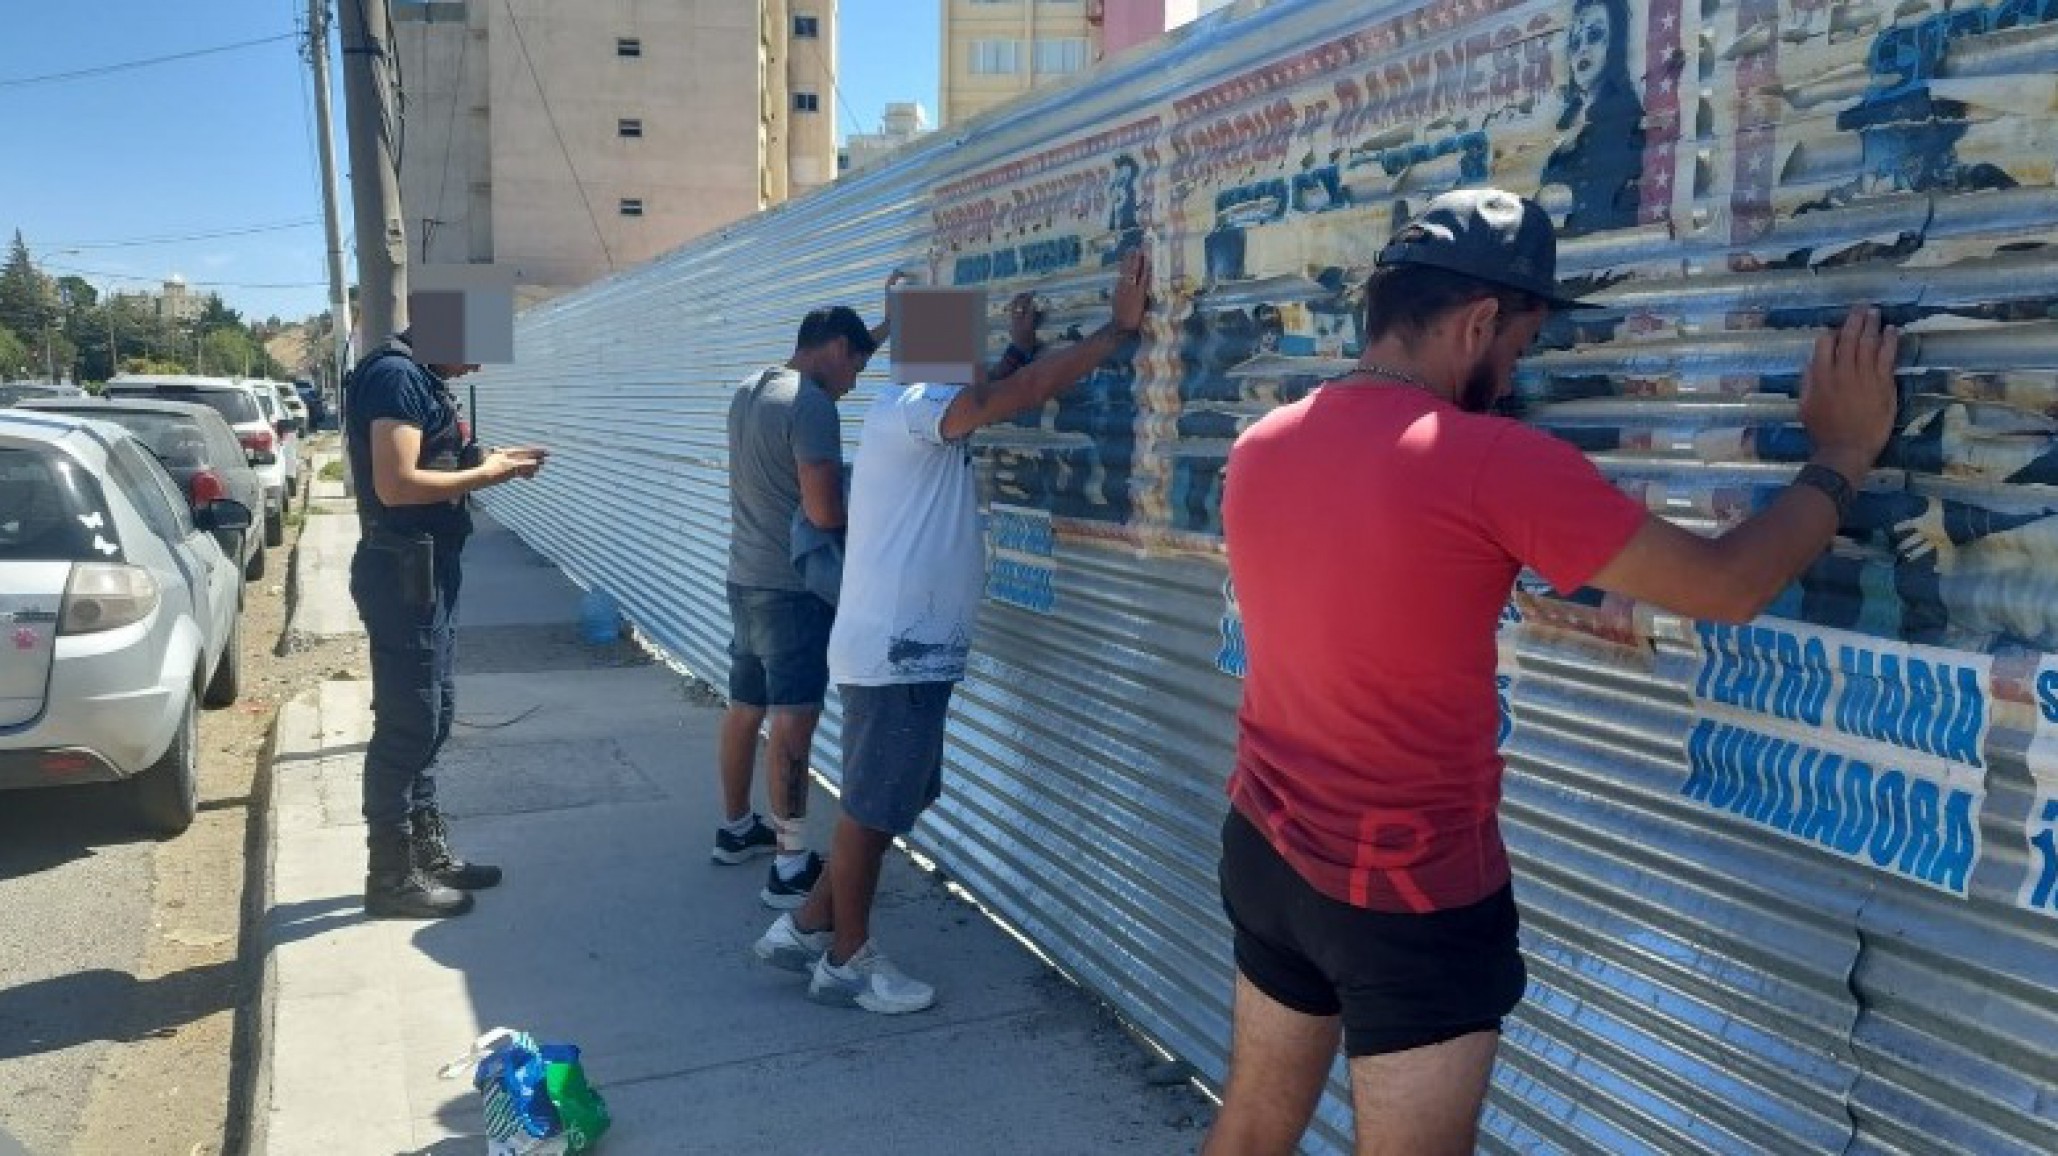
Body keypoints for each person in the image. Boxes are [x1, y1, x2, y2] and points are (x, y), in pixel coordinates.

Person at [1202, 188, 1898, 1154]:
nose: (1516, 372)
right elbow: (1728, 585)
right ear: (1482, 321)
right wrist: (1843, 452)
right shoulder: (1488, 461)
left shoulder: (1263, 444)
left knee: (1251, 1129)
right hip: (1407, 886)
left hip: (1267, 850)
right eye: (1522, 348)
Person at [752, 249, 1154, 1014]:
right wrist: (1112, 333)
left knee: (889, 798)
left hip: (907, 648)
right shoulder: (915, 410)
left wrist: (1019, 345)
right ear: (935, 350)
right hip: (898, 650)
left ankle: (805, 927)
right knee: (872, 810)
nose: (978, 353)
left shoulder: (918, 405)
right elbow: (1019, 393)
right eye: (963, 338)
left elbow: (997, 384)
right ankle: (848, 961)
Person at [346, 329, 549, 919]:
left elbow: (434, 462)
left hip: (430, 567)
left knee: (434, 713)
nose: (478, 362)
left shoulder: (423, 378)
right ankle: (388, 876)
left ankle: (424, 854)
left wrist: (489, 460)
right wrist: (490, 477)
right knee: (408, 723)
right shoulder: (396, 377)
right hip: (402, 570)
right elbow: (397, 482)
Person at [715, 282, 898, 910]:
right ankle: (791, 866)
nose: (854, 383)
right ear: (836, 350)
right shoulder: (815, 406)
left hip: (744, 577)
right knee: (793, 723)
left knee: (745, 707)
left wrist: (882, 326)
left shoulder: (753, 387)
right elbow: (822, 511)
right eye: (857, 366)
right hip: (792, 591)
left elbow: (841, 354)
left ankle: (737, 829)